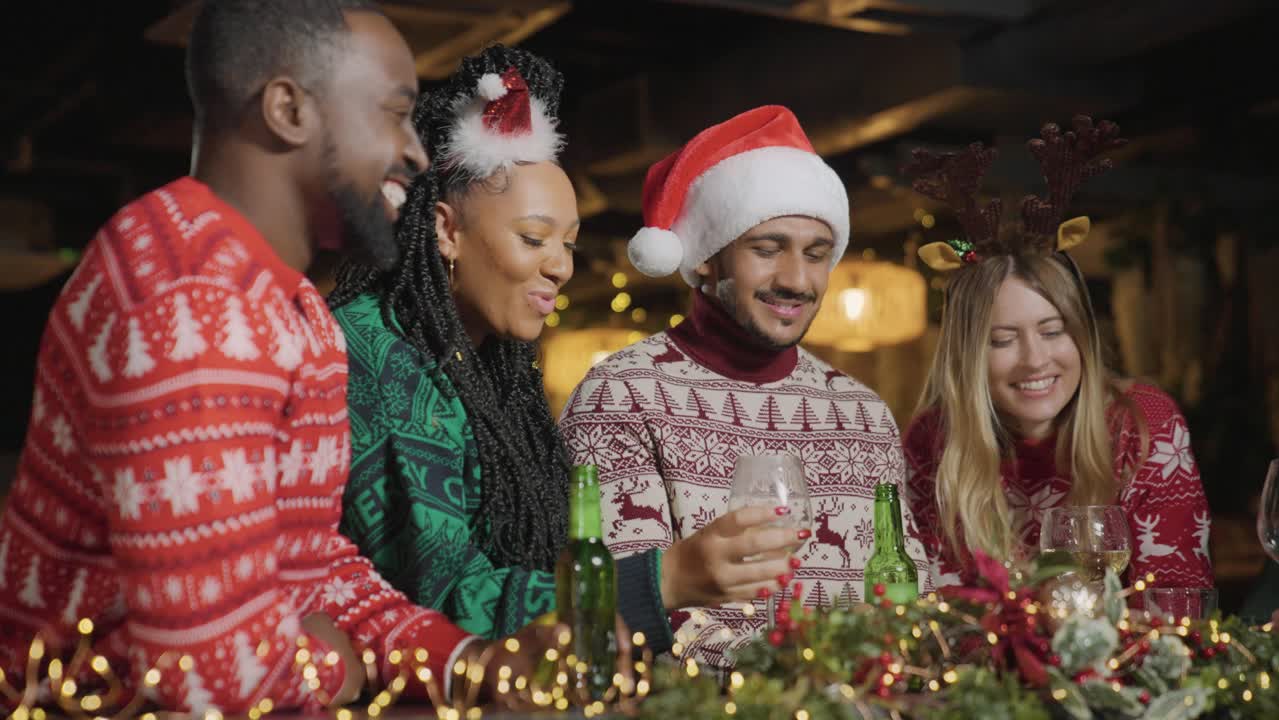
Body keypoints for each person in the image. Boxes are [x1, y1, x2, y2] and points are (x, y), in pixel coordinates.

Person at [0, 1, 547, 713]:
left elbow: (312, 567)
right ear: (288, 109)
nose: (415, 153)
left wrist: (473, 665)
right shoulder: (193, 304)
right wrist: (326, 663)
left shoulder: (291, 304)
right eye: (392, 113)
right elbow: (211, 677)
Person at [558, 105, 931, 668]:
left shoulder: (863, 413)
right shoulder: (622, 395)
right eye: (766, 248)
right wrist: (795, 679)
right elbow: (621, 609)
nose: (797, 280)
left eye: (816, 253)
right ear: (708, 257)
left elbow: (909, 589)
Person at [329, 45, 656, 643]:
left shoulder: (488, 366)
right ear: (447, 230)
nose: (560, 266)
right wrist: (657, 583)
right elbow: (441, 595)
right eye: (534, 238)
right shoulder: (379, 352)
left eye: (570, 244)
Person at [900, 117, 1214, 592]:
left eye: (1053, 331)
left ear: (1083, 337)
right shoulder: (932, 441)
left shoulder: (1144, 424)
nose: (1035, 360)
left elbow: (1178, 603)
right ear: (966, 357)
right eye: (1002, 340)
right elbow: (931, 611)